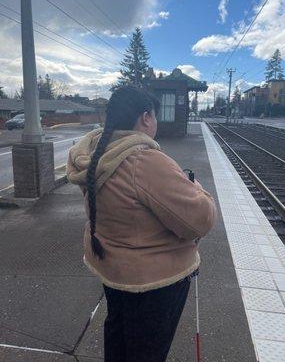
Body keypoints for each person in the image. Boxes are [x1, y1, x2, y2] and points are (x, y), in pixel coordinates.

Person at [67, 85, 216, 362]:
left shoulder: (95, 154)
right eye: (155, 117)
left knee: (118, 334)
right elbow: (200, 220)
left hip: (112, 269)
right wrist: (197, 187)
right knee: (147, 349)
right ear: (146, 117)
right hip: (154, 282)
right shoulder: (145, 161)